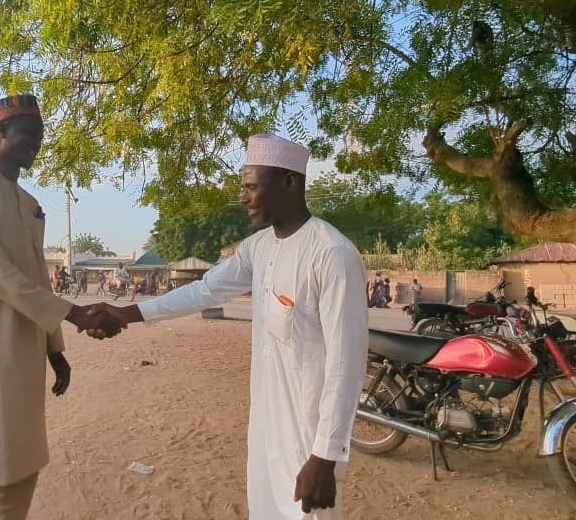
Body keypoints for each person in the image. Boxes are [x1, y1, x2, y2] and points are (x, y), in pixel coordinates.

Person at [84, 133, 369, 519]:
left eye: (252, 187)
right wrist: (126, 314)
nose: (243, 197)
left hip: (309, 439)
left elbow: (345, 364)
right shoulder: (259, 248)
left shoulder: (332, 255)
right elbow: (204, 291)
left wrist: (326, 454)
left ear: (289, 182)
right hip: (266, 429)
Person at [0, 93, 121, 520]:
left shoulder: (30, 204)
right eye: (28, 133)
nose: (36, 143)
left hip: (23, 351)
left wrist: (55, 349)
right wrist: (73, 312)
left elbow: (33, 275)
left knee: (20, 466)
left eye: (40, 135)